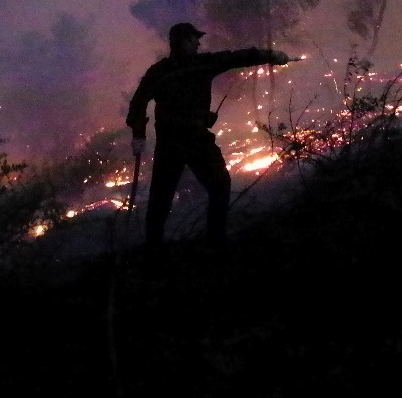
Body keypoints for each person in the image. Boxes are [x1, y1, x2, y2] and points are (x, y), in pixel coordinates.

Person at [126, 22, 297, 252]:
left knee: (162, 199)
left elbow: (137, 104)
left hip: (173, 143)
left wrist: (139, 134)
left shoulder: (159, 72)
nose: (199, 42)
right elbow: (236, 58)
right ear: (185, 41)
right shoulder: (200, 65)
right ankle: (214, 242)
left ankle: (155, 250)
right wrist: (271, 55)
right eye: (195, 38)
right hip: (191, 140)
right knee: (216, 186)